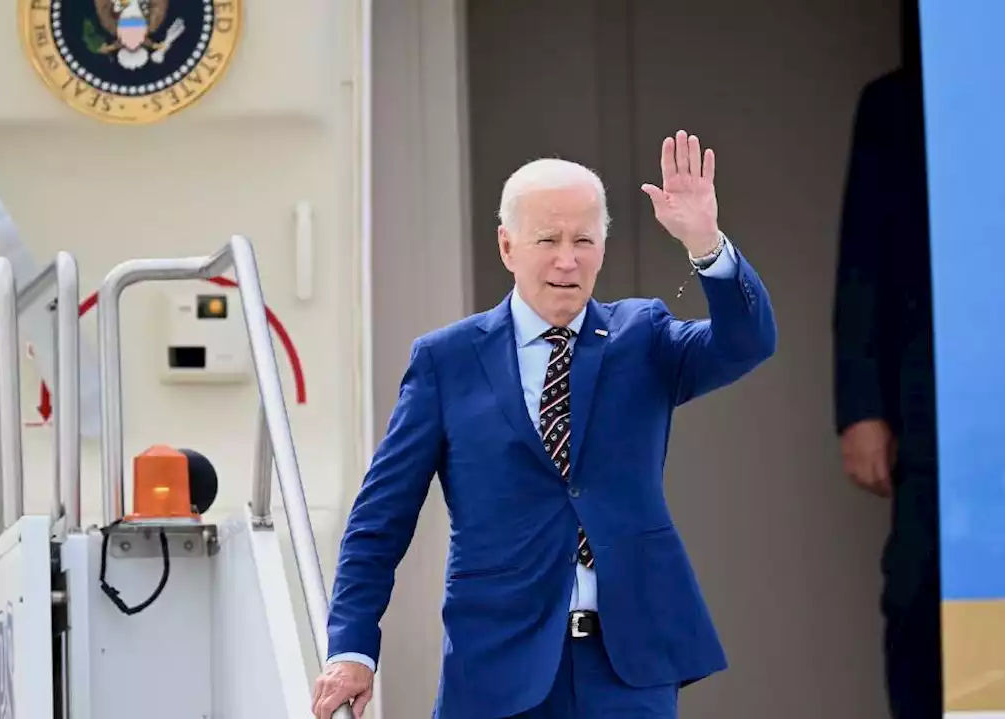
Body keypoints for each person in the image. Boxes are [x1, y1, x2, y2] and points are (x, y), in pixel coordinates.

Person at [314, 131, 777, 719]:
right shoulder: (447, 361)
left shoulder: (644, 337)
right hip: (495, 667)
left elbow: (748, 342)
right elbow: (380, 520)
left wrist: (706, 244)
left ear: (603, 247)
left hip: (628, 669)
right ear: (507, 246)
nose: (567, 259)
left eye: (584, 240)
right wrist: (352, 647)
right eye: (548, 240)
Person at [832, 64, 941, 719]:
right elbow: (863, 260)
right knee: (921, 599)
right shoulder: (899, 102)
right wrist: (861, 406)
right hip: (935, 399)